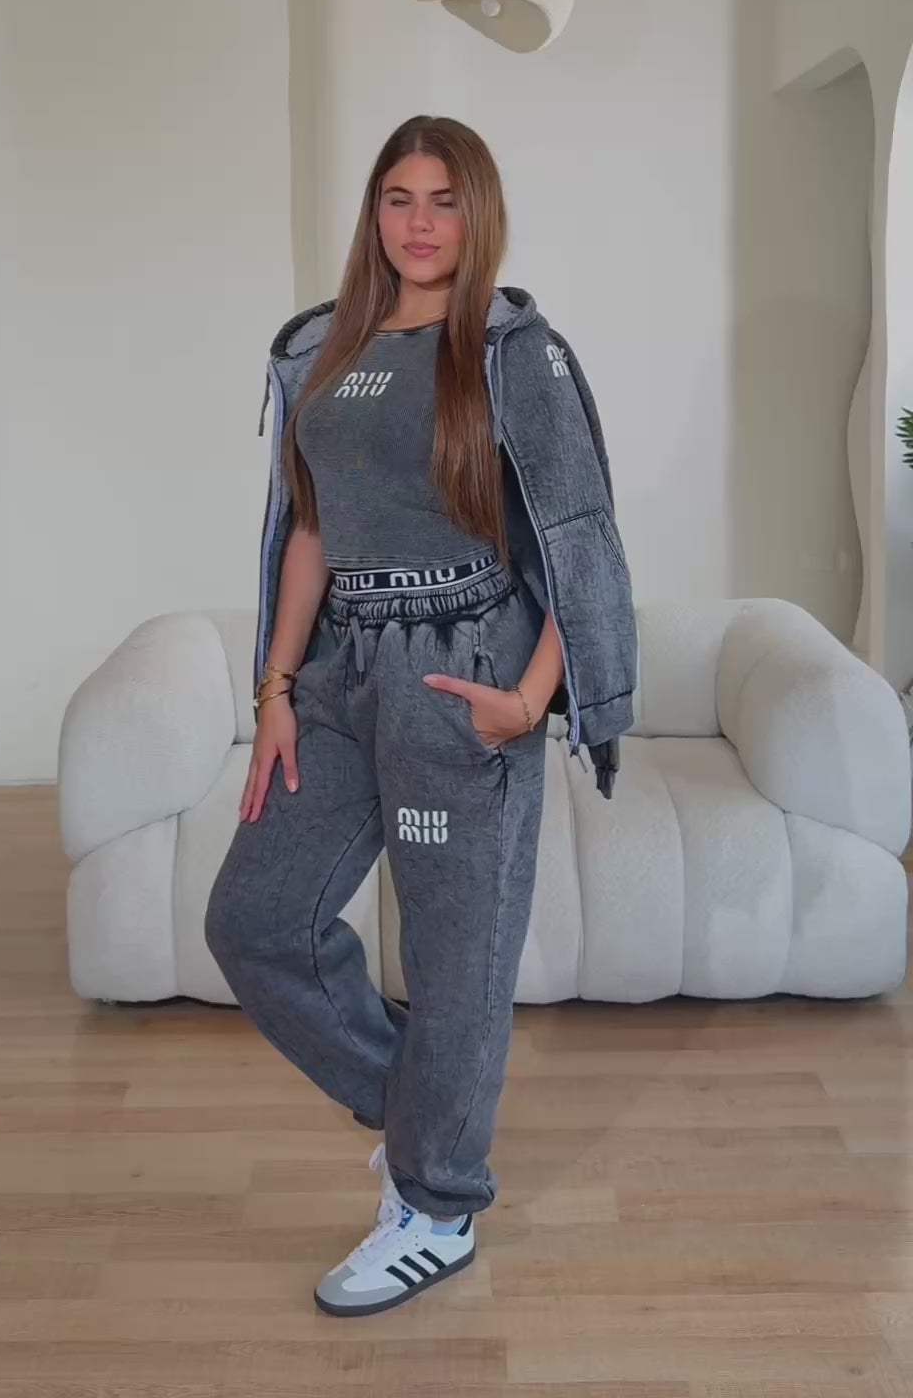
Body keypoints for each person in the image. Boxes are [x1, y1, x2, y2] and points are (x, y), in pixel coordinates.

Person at [205, 115, 636, 1317]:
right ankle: (420, 1120)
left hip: (464, 675)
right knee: (255, 920)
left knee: (456, 968)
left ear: (478, 212)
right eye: (398, 197)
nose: (420, 222)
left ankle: (435, 1209)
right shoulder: (323, 346)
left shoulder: (511, 350)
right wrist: (275, 690)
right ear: (373, 214)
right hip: (340, 673)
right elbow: (309, 526)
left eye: (444, 199)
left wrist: (529, 701)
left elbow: (580, 534)